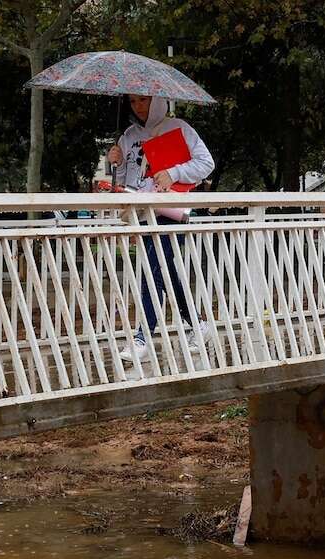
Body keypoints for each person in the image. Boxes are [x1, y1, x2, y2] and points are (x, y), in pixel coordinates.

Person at [107, 94, 215, 362]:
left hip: (169, 208)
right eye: (133, 101)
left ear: (156, 100)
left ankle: (142, 337)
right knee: (164, 271)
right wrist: (116, 164)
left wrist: (174, 173)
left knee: (152, 269)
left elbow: (206, 163)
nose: (138, 106)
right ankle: (198, 324)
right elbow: (122, 181)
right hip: (141, 212)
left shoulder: (178, 127)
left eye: (143, 100)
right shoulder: (128, 136)